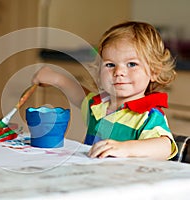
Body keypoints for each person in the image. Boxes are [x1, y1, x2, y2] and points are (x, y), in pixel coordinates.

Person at [32, 21, 178, 160]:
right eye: (110, 65)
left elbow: (164, 147)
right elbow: (78, 93)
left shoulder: (148, 115)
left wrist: (125, 148)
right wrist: (55, 78)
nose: (119, 71)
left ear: (154, 71)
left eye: (132, 64)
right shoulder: (99, 106)